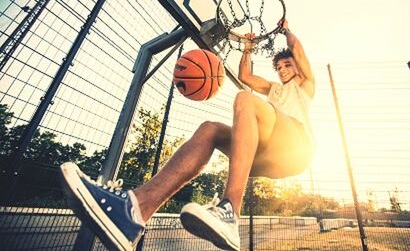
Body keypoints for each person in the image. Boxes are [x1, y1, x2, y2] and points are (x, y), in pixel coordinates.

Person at [60, 19, 315, 251]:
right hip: (265, 154)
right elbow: (246, 76)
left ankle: (229, 212)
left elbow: (299, 52)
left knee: (245, 99)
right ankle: (134, 212)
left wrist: (286, 30)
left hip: (295, 146)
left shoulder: (304, 84)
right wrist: (247, 47)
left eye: (287, 64)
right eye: (279, 66)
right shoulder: (273, 90)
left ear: (297, 67)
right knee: (210, 129)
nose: (282, 69)